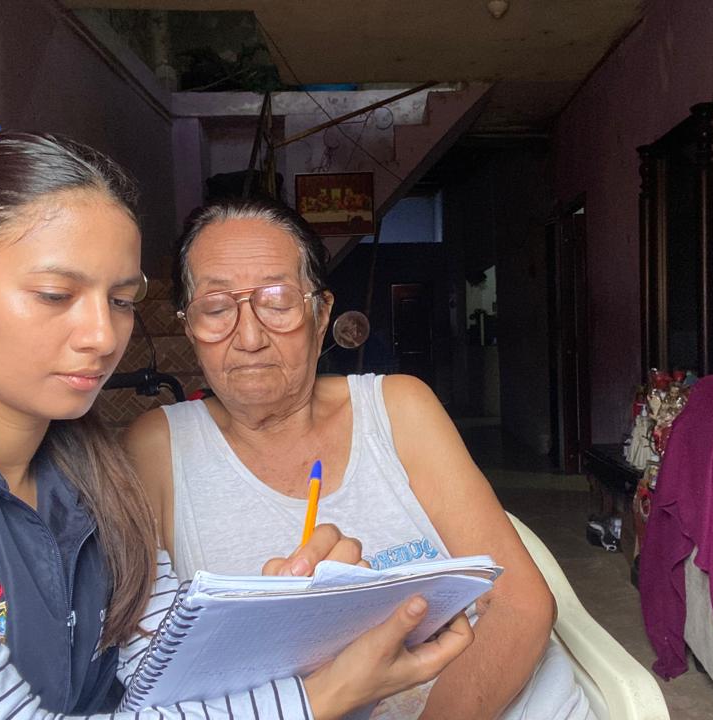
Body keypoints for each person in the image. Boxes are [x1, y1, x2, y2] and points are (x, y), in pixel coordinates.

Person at [0, 132, 471, 719]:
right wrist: (317, 697)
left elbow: (168, 689)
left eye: (122, 301)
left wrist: (279, 630)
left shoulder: (98, 483)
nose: (103, 336)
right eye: (55, 294)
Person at [125, 197, 592, 720]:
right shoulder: (156, 449)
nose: (249, 338)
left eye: (277, 302)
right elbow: (150, 670)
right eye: (216, 308)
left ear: (321, 313)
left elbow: (521, 603)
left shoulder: (399, 407)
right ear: (189, 326)